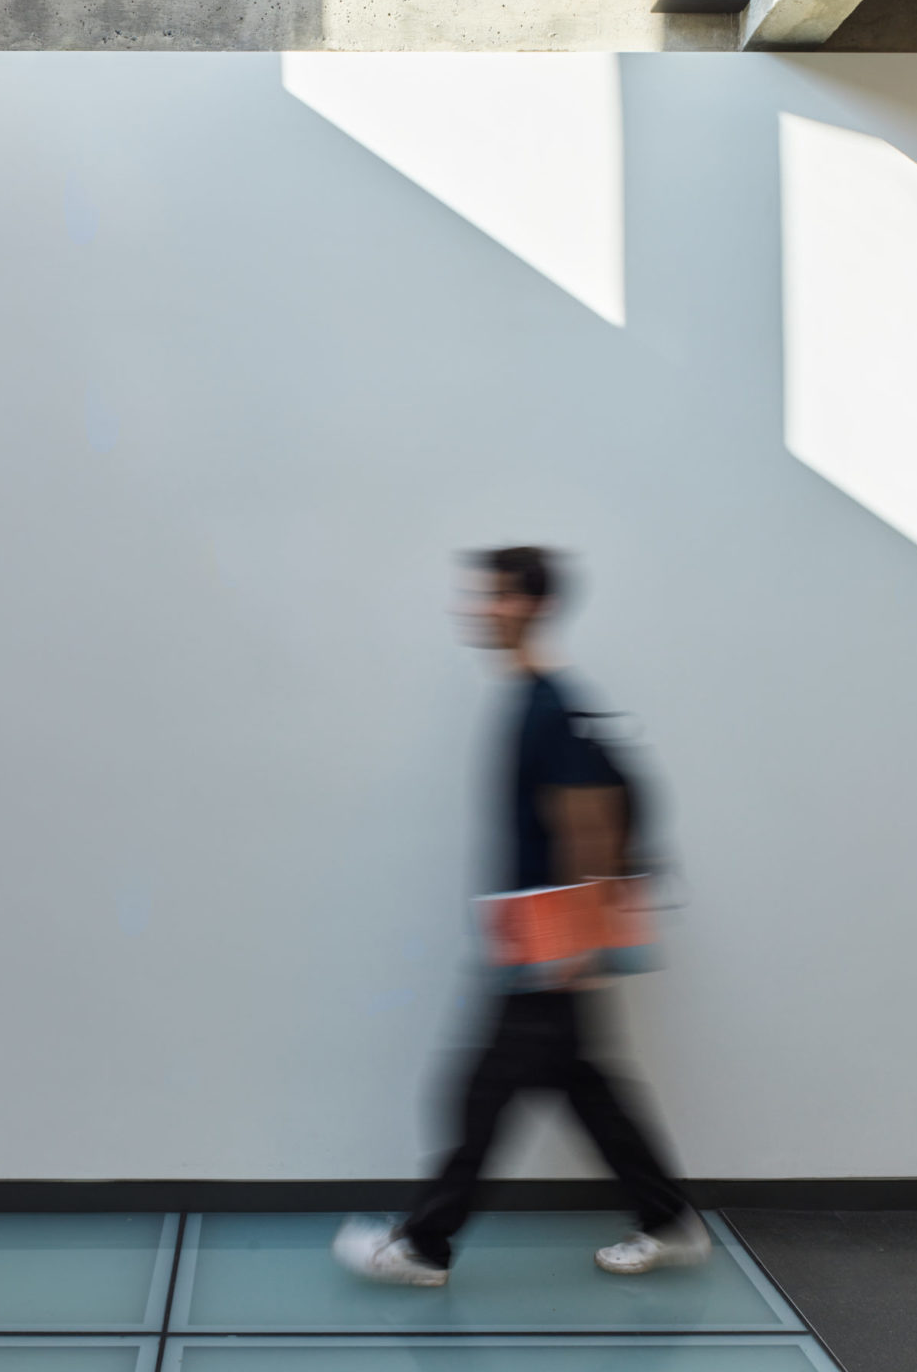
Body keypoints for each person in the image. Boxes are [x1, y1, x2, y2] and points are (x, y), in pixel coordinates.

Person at [336, 544, 708, 1288]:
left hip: (548, 945)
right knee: (585, 1089)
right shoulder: (530, 699)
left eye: (499, 596)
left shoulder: (551, 705)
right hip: (535, 940)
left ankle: (423, 1247)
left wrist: (572, 948)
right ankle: (669, 1221)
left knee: (480, 1096)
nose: (481, 609)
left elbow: (589, 823)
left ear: (535, 605)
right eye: (480, 595)